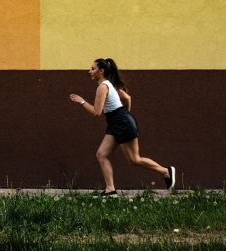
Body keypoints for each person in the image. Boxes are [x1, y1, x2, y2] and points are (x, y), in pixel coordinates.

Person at [70, 58, 175, 196]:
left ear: (101, 71)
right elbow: (127, 98)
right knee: (101, 154)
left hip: (121, 123)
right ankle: (110, 190)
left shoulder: (103, 87)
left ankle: (166, 171)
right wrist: (125, 115)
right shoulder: (110, 85)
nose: (89, 72)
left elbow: (96, 112)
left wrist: (82, 101)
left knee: (134, 160)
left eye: (92, 69)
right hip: (117, 123)